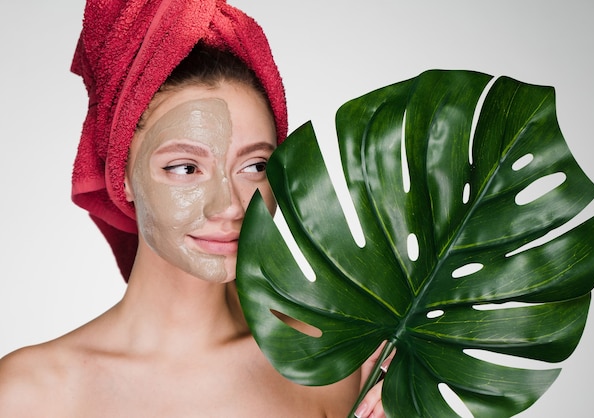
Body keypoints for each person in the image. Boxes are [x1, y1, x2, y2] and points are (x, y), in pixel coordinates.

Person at [0, 1, 387, 417]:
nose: (230, 206)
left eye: (254, 166)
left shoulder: (339, 366)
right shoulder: (29, 394)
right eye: (185, 168)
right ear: (122, 175)